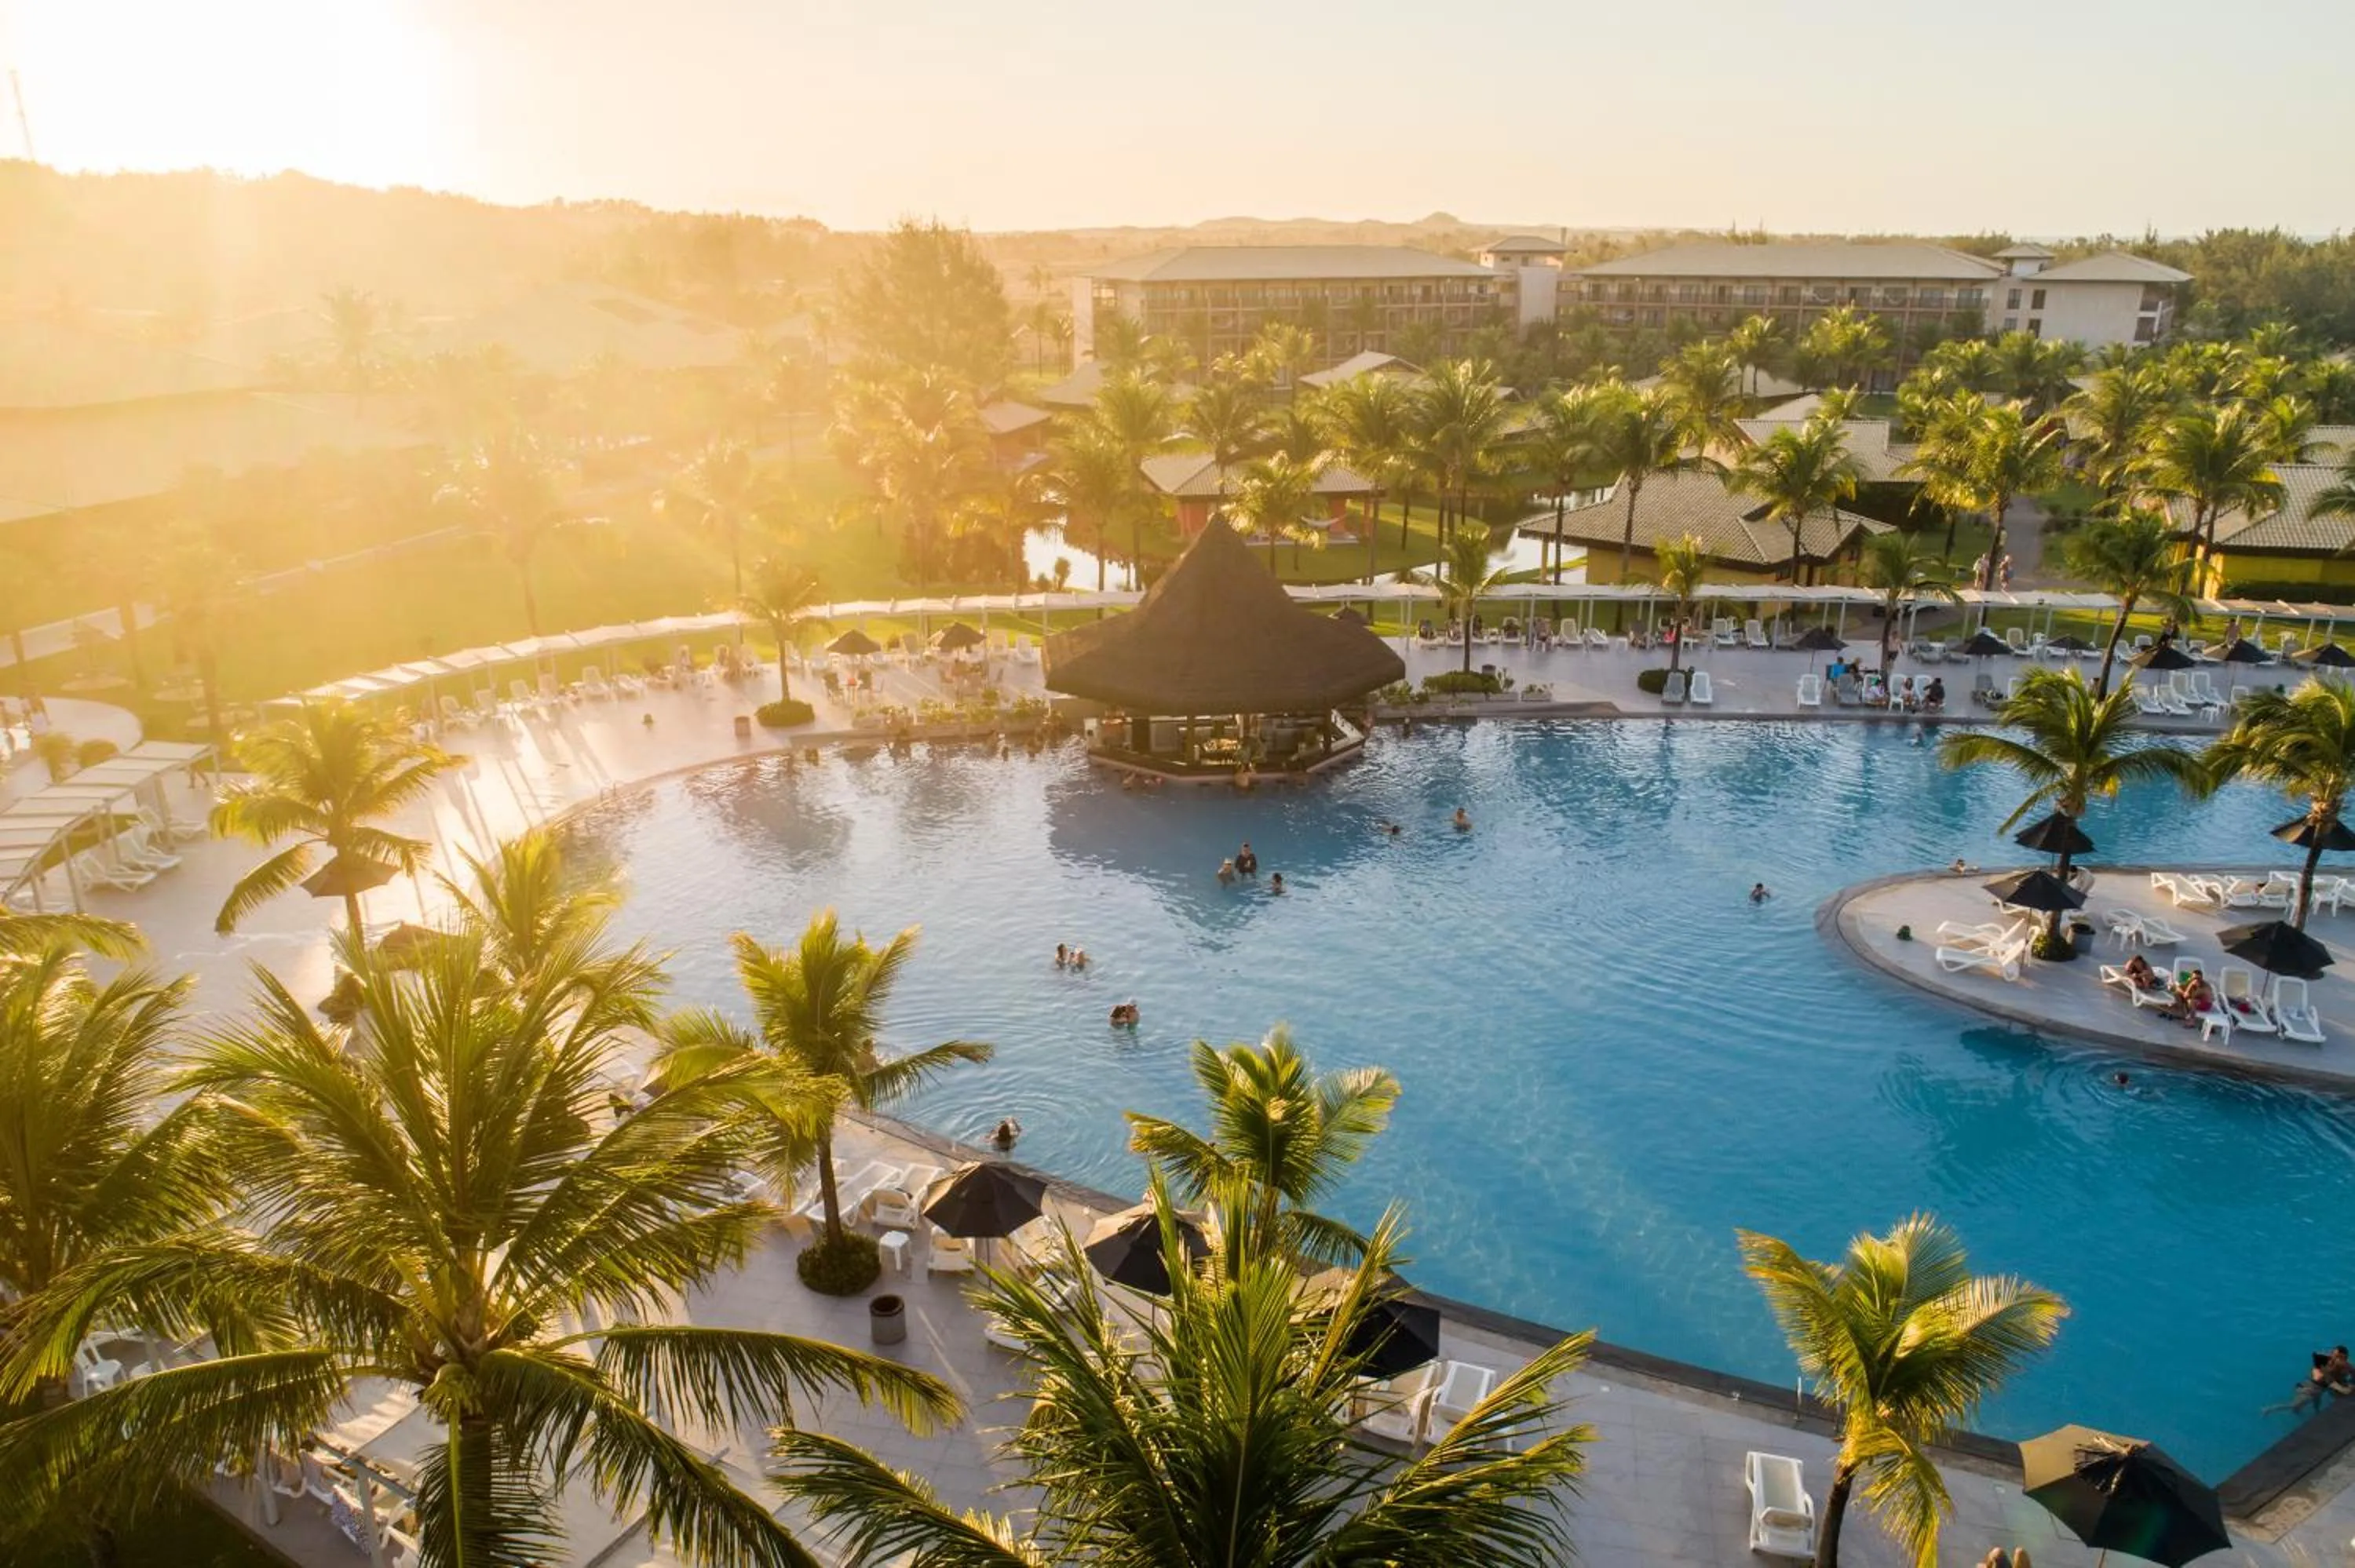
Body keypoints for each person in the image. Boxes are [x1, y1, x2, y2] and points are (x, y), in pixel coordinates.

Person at [2266, 1346, 2354, 1414]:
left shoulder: (2343, 1364)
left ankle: (2315, 1414)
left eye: (2337, 1356)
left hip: (2320, 1389)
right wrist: (2349, 1387)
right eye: (2333, 1354)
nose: (2332, 1357)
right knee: (2294, 1405)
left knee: (2317, 1404)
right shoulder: (2325, 1367)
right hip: (2310, 1388)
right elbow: (2340, 1388)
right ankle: (2269, 1409)